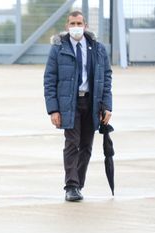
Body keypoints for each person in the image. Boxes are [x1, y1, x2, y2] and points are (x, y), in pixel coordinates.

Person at [43, 10, 112, 202]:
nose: (75, 27)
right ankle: (71, 186)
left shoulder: (97, 48)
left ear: (85, 25)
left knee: (86, 146)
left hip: (92, 102)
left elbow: (106, 77)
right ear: (67, 26)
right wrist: (53, 109)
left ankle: (78, 184)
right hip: (69, 102)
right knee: (72, 143)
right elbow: (49, 80)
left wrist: (107, 106)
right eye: (72, 24)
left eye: (79, 23)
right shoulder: (58, 48)